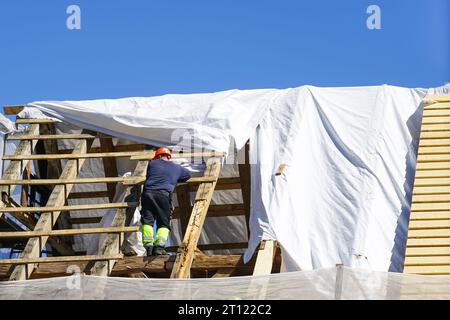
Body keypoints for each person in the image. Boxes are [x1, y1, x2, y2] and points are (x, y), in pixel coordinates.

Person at [140, 147, 191, 256]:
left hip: (148, 194)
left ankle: (148, 247)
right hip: (163, 195)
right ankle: (159, 247)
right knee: (163, 223)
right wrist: (174, 178)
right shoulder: (176, 168)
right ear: (169, 156)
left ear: (158, 156)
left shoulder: (151, 164)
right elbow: (187, 175)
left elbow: (145, 173)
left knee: (147, 221)